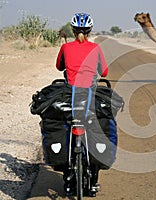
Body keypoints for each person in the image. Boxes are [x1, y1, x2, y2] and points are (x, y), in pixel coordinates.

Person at [55, 13, 108, 196]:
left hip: (71, 96)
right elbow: (105, 72)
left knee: (64, 126)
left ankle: (67, 176)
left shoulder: (66, 47)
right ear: (89, 30)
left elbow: (59, 67)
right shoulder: (95, 48)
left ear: (73, 30)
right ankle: (93, 180)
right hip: (90, 97)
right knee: (98, 129)